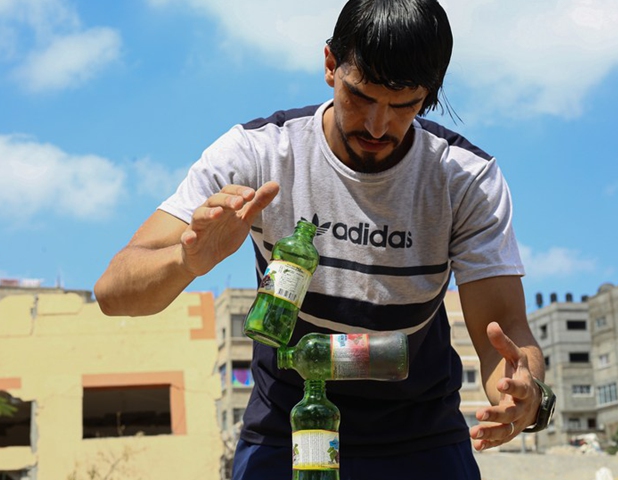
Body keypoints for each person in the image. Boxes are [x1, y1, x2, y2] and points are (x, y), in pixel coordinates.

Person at [95, 1, 549, 478]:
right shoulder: (259, 153)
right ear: (330, 64)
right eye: (360, 97)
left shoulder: (464, 178)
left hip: (421, 439)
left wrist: (526, 394)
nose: (377, 127)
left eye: (403, 107)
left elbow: (505, 334)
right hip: (284, 431)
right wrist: (186, 261)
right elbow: (113, 293)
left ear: (429, 93)